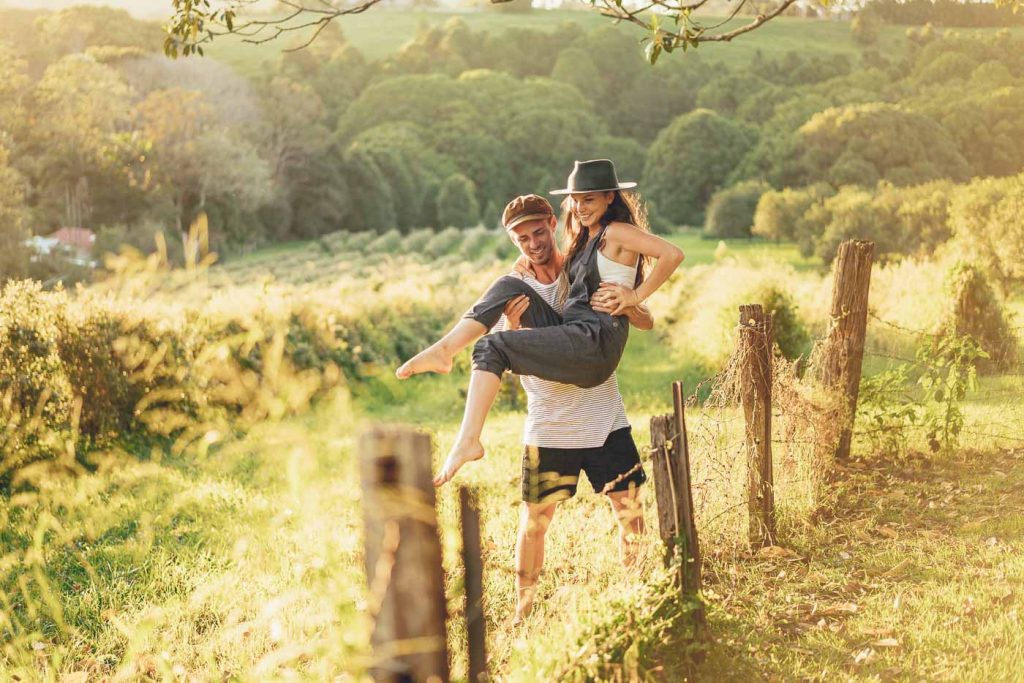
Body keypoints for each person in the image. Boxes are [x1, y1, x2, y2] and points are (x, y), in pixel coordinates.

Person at [396, 159, 685, 488]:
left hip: (593, 344)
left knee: (490, 345)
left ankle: (468, 439)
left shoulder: (617, 231)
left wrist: (634, 297)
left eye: (589, 199)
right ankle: (444, 351)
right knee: (508, 286)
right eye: (575, 199)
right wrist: (521, 286)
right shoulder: (586, 241)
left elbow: (672, 254)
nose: (580, 206)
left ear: (610, 197)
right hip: (577, 335)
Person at [485, 193, 656, 623]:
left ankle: (637, 597)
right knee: (535, 520)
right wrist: (517, 324)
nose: (533, 244)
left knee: (630, 511)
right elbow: (509, 356)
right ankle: (523, 611)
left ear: (553, 223)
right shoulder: (516, 288)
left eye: (539, 232)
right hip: (550, 424)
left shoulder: (587, 264)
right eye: (521, 239)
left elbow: (645, 318)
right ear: (513, 241)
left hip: (603, 416)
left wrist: (628, 300)